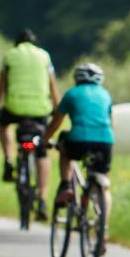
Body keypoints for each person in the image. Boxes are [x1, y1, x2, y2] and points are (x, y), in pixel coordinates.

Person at [0, 29, 60, 220]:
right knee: (42, 150)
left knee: (2, 126)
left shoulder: (10, 56)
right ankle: (43, 198)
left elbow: (2, 86)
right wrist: (56, 107)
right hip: (40, 109)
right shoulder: (44, 56)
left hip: (14, 108)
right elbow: (53, 85)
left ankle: (9, 159)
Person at [41, 63, 114, 235]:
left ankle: (66, 185)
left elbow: (56, 121)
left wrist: (45, 139)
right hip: (105, 141)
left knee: (63, 145)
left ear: (77, 79)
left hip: (78, 140)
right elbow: (111, 123)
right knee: (104, 186)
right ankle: (102, 229)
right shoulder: (106, 95)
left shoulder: (72, 94)